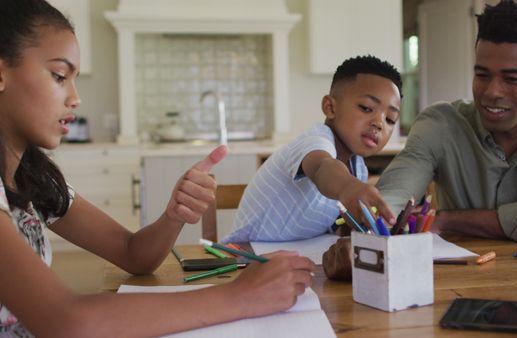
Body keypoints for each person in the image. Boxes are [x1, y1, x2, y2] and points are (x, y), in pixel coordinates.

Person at [0, 1, 314, 337]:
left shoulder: (36, 179)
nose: (76, 98)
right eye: (60, 76)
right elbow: (66, 321)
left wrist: (174, 214)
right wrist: (241, 295)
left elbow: (132, 254)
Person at [323, 0, 517, 278]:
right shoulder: (440, 123)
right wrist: (366, 235)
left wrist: (448, 219)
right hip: (459, 281)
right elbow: (391, 199)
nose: (492, 91)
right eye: (482, 75)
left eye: (512, 79)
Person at [223, 55, 402, 243]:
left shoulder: (358, 170)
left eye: (390, 119)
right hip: (243, 257)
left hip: (295, 259)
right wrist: (348, 187)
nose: (379, 123)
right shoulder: (314, 142)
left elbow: (335, 223)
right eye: (366, 108)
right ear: (330, 107)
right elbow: (322, 167)